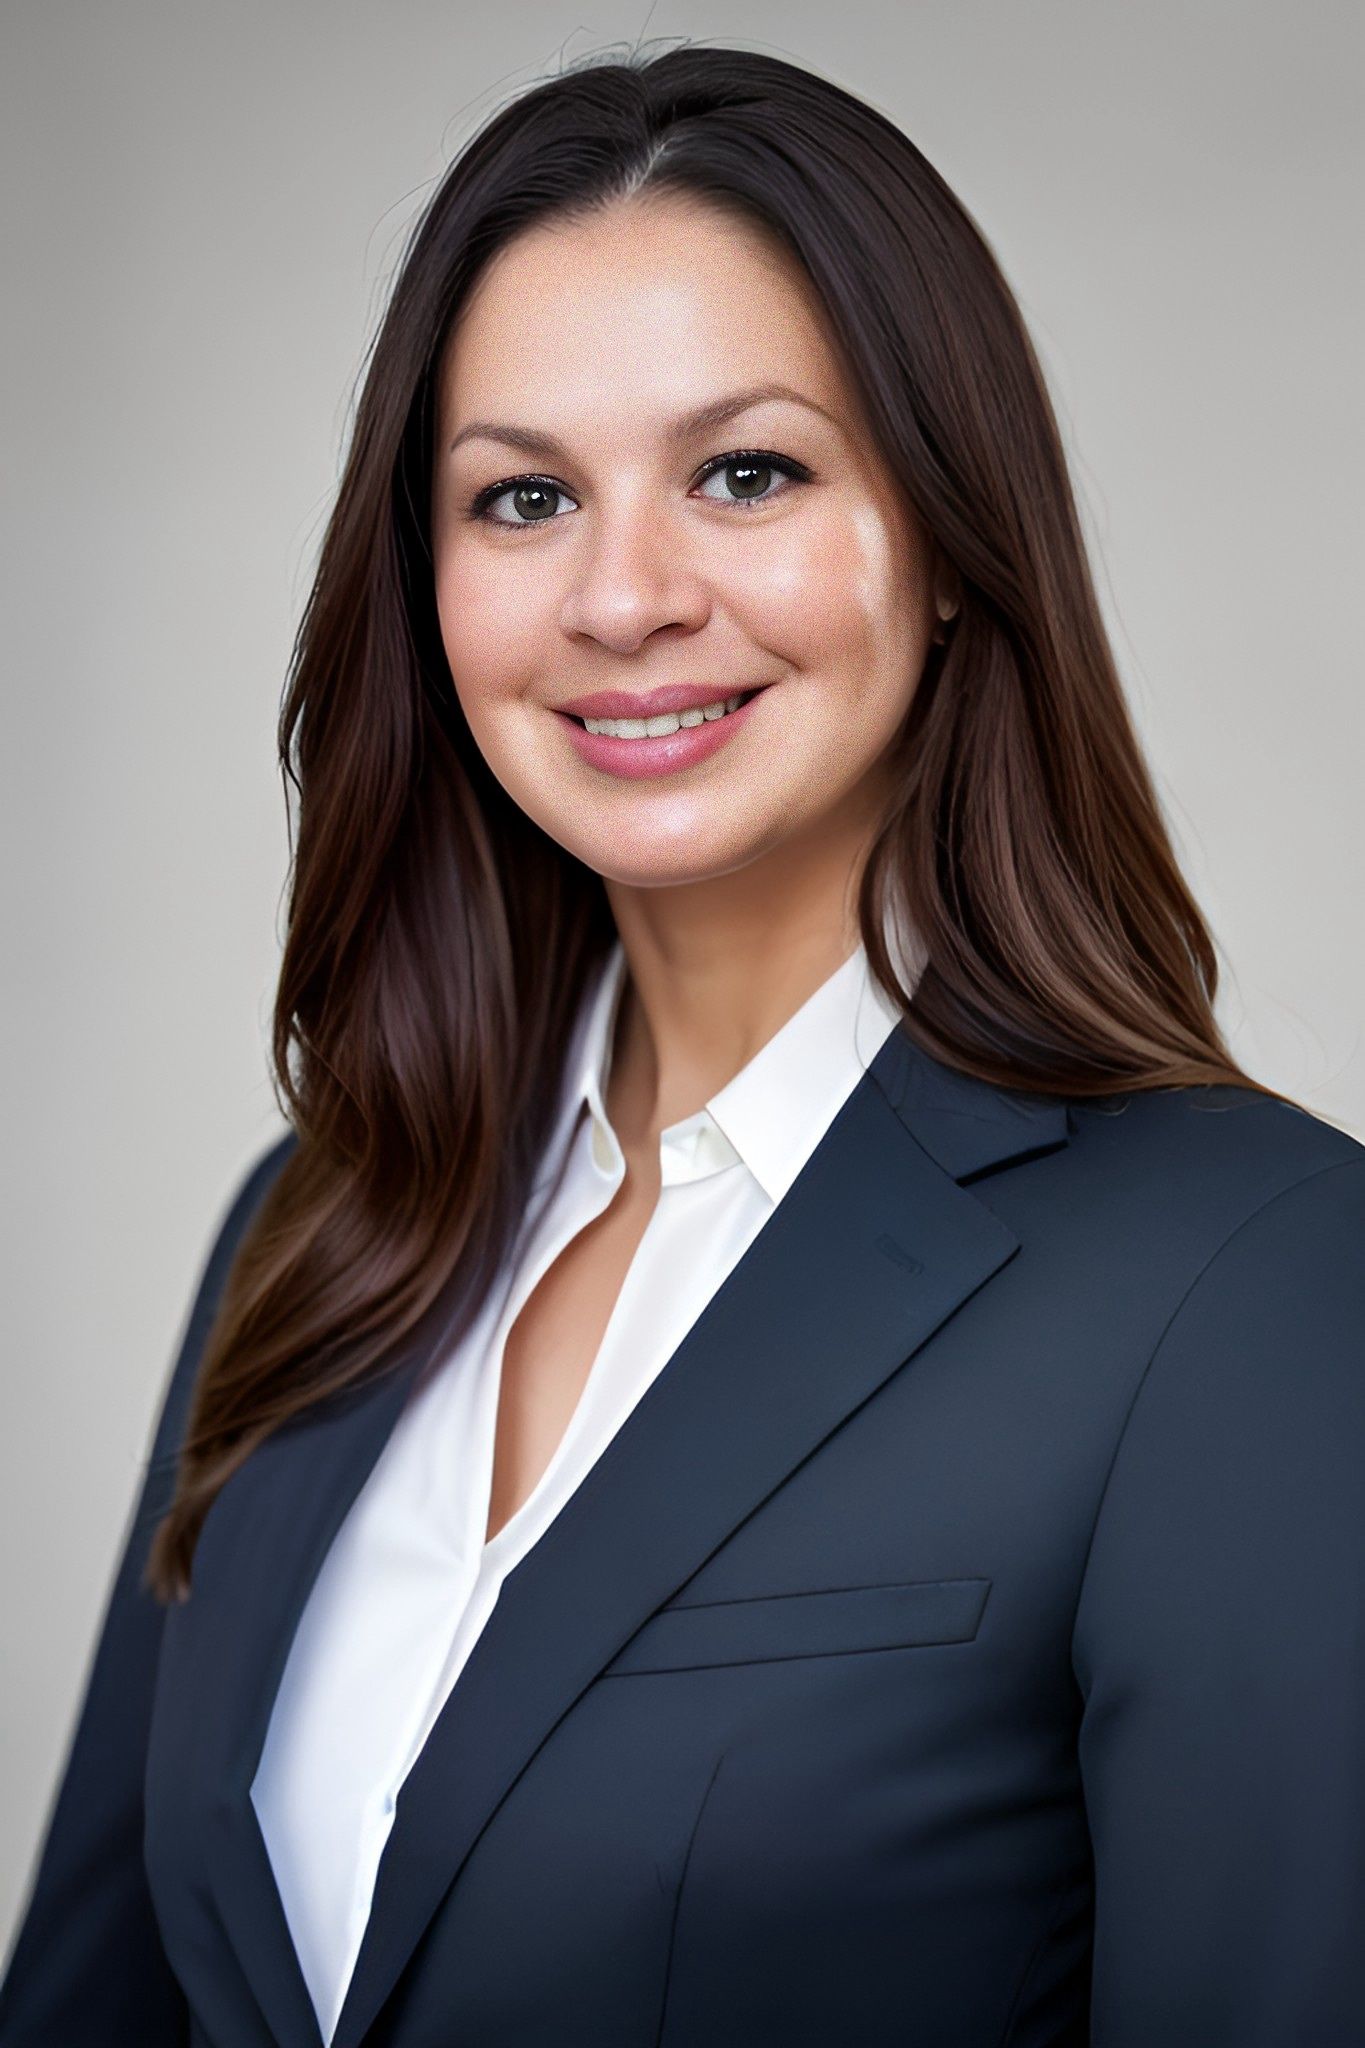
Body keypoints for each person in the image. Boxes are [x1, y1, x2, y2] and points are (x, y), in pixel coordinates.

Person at [2, 40, 1361, 2048]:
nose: (621, 595)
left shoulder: (1252, 1280)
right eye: (523, 495)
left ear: (949, 544)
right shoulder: (311, 1231)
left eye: (745, 470)